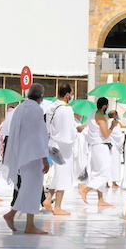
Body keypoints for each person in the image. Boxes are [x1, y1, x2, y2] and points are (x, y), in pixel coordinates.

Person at [2, 83, 50, 234]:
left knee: (28, 187)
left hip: (22, 153)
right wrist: (44, 158)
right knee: (33, 188)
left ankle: (14, 215)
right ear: (41, 97)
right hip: (33, 155)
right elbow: (39, 135)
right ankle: (28, 224)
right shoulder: (36, 110)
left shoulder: (21, 107)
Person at [45, 83, 81, 216]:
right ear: (67, 95)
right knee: (63, 175)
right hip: (63, 145)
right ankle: (58, 206)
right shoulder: (66, 109)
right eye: (71, 94)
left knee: (58, 174)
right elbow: (69, 132)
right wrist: (76, 133)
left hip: (53, 142)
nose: (71, 96)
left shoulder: (52, 107)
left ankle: (49, 199)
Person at [80, 97, 117, 208]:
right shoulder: (100, 117)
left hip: (95, 147)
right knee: (104, 173)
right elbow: (105, 134)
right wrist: (112, 126)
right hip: (101, 146)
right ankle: (85, 190)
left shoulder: (92, 115)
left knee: (98, 172)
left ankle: (101, 199)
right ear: (104, 106)